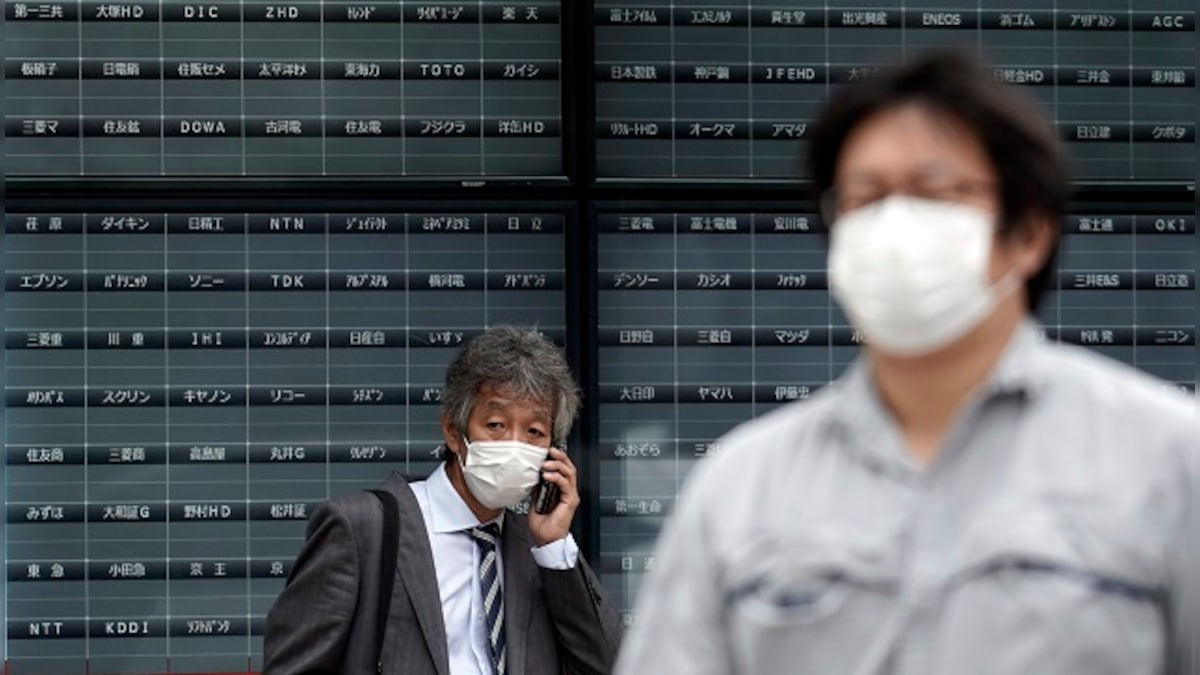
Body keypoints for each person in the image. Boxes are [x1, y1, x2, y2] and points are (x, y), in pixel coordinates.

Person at [615, 49, 1196, 675]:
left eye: (936, 192)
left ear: (1028, 232)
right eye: (865, 198)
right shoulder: (739, 487)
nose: (894, 224)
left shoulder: (1167, 457)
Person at [264, 325, 621, 674]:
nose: (515, 445)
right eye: (496, 425)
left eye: (535, 432)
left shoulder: (538, 551)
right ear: (453, 431)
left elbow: (613, 664)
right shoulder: (362, 528)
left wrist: (554, 545)